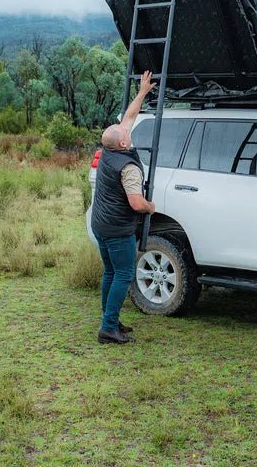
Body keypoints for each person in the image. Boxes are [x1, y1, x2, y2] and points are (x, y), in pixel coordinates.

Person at [91, 70, 158, 344]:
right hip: (118, 230)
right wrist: (151, 206)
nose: (129, 132)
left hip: (101, 225)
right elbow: (135, 202)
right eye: (126, 135)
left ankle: (111, 320)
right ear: (123, 143)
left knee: (110, 272)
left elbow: (127, 119)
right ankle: (108, 328)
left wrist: (142, 92)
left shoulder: (109, 150)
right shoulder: (128, 167)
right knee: (123, 275)